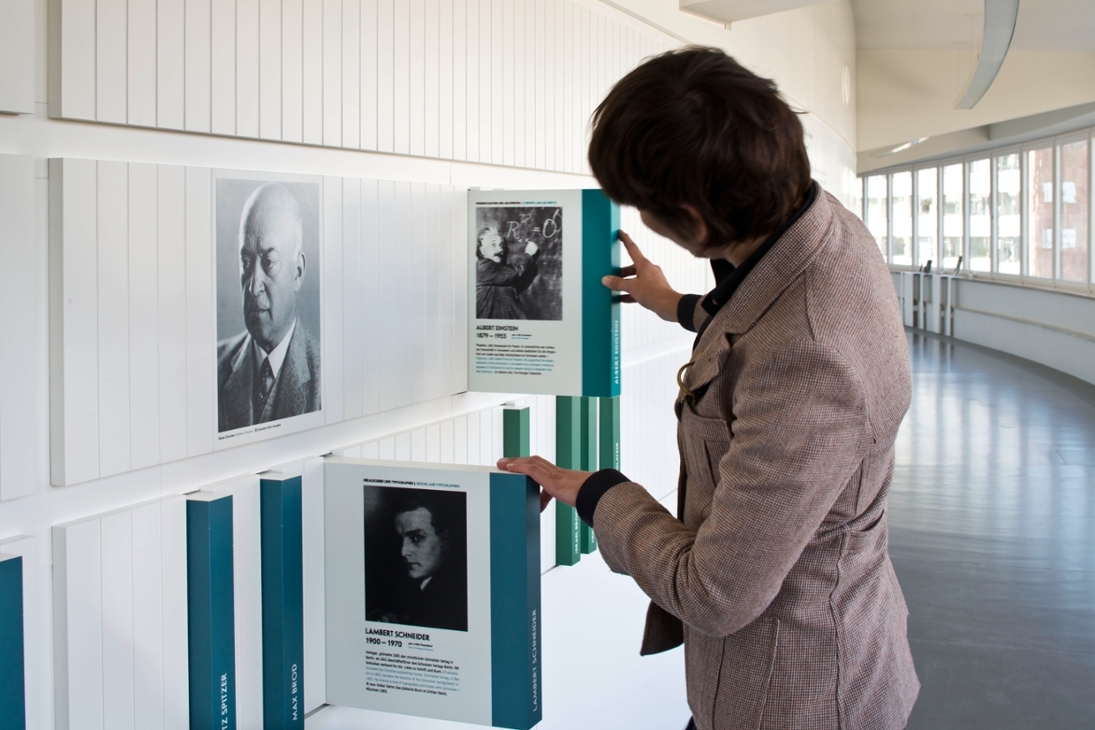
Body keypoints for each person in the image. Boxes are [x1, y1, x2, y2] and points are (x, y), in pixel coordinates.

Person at [498, 47, 919, 730]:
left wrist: (601, 493)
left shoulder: (811, 364)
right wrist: (678, 305)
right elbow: (766, 311)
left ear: (691, 224)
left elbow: (716, 594)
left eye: (643, 208)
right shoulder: (817, 221)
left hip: (798, 697)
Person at [217, 182, 321, 432]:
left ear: (297, 272)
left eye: (268, 262)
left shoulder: (325, 380)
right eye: (246, 261)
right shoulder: (215, 367)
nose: (253, 287)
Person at [369, 494, 468, 632]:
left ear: (444, 541)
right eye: (400, 540)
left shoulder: (458, 599)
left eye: (416, 538)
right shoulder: (417, 588)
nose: (403, 552)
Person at [475, 225, 539, 319]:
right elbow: (513, 272)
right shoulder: (483, 268)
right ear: (482, 250)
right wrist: (528, 254)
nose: (500, 250)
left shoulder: (495, 270)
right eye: (493, 244)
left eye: (501, 245)